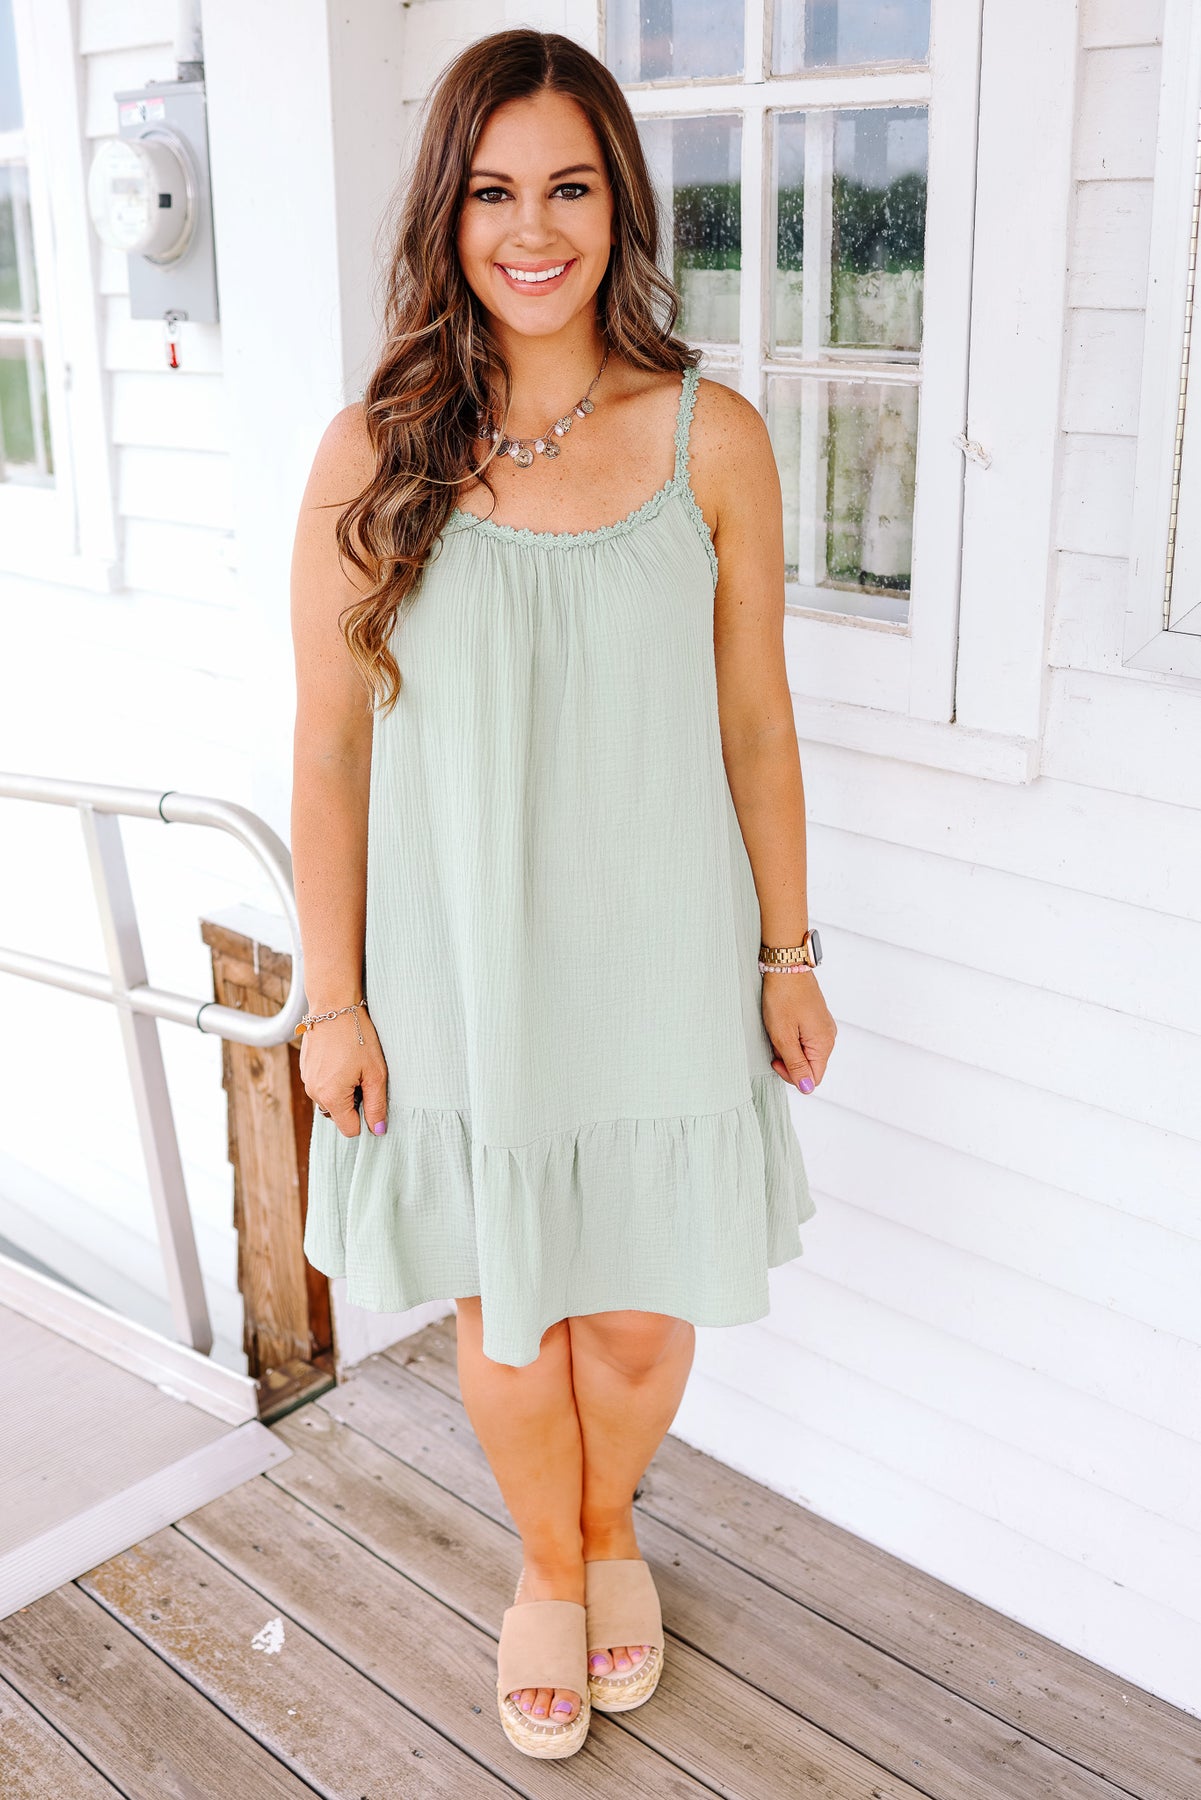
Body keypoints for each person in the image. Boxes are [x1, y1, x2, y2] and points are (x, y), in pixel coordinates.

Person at [288, 26, 837, 1762]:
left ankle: (611, 1534)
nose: (532, 231)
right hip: (458, 962)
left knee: (639, 1312)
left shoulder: (710, 440)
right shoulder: (372, 452)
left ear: (621, 208)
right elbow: (329, 751)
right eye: (492, 192)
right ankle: (547, 1566)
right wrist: (332, 997)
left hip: (662, 946)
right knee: (507, 1303)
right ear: (446, 215)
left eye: (570, 189)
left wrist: (787, 953)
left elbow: (755, 726)